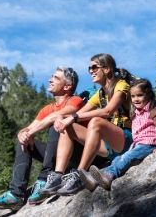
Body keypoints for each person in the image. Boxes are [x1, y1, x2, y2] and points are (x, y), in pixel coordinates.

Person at [0, 67, 84, 211]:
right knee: (23, 141)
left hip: (74, 157)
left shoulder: (75, 101)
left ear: (67, 86)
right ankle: (16, 194)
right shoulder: (47, 108)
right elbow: (29, 128)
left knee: (57, 123)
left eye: (56, 78)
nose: (50, 80)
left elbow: (54, 117)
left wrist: (30, 132)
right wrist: (23, 134)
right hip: (58, 156)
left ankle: (44, 180)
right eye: (52, 76)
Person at [51, 53, 133, 196]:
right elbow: (79, 115)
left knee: (96, 121)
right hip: (109, 146)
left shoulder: (121, 85)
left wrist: (73, 116)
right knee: (67, 126)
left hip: (126, 139)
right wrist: (61, 117)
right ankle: (58, 175)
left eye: (94, 67)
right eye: (89, 68)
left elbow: (108, 111)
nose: (90, 71)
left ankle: (80, 174)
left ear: (107, 69)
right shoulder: (100, 93)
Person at [94, 78, 156, 190]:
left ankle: (110, 175)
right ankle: (96, 178)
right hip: (137, 145)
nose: (136, 99)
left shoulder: (155, 110)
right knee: (118, 158)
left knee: (126, 157)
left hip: (149, 144)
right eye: (133, 96)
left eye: (139, 95)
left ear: (148, 94)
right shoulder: (136, 113)